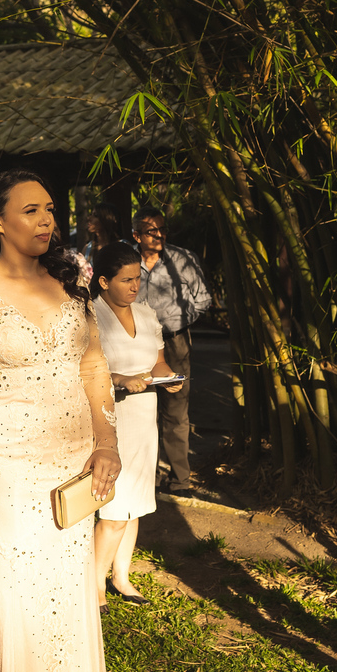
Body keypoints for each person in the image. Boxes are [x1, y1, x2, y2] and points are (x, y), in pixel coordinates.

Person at [0, 168, 120, 672]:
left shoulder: (72, 281)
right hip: (2, 460)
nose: (46, 219)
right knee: (16, 590)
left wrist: (107, 444)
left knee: (69, 591)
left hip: (73, 457)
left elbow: (94, 362)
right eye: (31, 210)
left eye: (50, 209)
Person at [91, 242, 181, 611]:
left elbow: (157, 362)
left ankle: (122, 576)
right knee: (113, 508)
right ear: (102, 281)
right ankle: (94, 582)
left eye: (136, 279)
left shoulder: (145, 314)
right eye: (125, 280)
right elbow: (81, 369)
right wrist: (119, 378)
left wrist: (169, 377)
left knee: (137, 503)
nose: (134, 287)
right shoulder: (89, 315)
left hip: (145, 416)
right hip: (111, 417)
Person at [132, 205, 210, 497]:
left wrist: (177, 321)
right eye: (152, 231)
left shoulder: (182, 259)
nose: (160, 235)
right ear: (136, 235)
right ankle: (147, 478)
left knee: (176, 413)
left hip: (174, 341)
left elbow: (202, 299)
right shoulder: (126, 260)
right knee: (142, 410)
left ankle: (180, 482)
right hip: (137, 344)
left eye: (163, 229)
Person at [81, 201, 121, 269]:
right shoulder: (88, 249)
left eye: (95, 215)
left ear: (107, 219)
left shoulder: (123, 246)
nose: (89, 218)